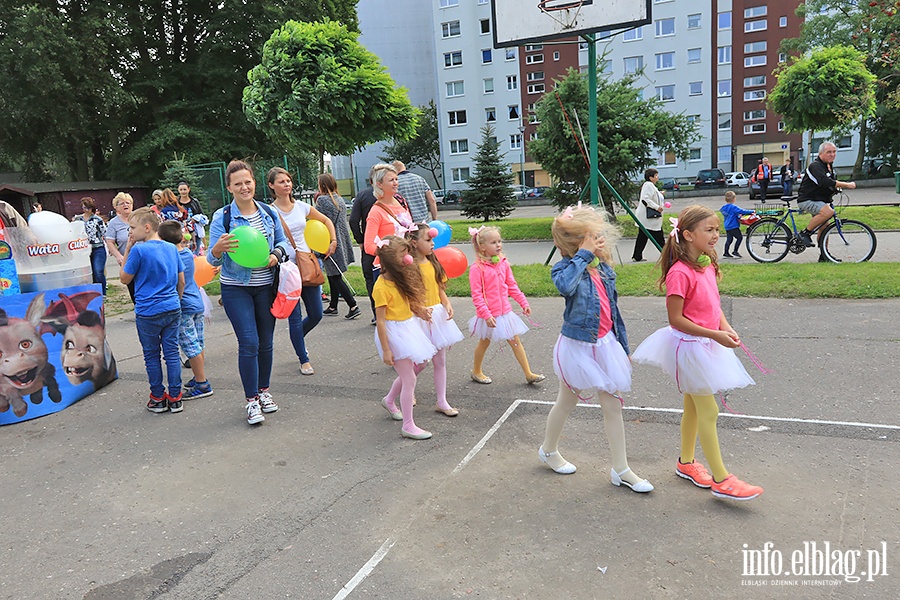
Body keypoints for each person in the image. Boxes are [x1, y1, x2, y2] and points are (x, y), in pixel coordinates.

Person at [632, 205, 762, 501]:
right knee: (709, 410)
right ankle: (721, 479)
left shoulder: (707, 265)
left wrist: (725, 327)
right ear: (688, 235)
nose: (717, 235)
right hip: (689, 347)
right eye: (710, 230)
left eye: (717, 229)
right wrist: (714, 334)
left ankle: (686, 462)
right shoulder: (680, 273)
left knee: (692, 406)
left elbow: (713, 307)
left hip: (707, 343)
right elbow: (676, 319)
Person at [538, 204, 652, 493]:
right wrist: (584, 254)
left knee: (612, 404)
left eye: (599, 237)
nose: (600, 241)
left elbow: (613, 311)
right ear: (577, 242)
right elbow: (565, 286)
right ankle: (548, 450)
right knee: (566, 401)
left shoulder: (604, 270)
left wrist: (622, 345)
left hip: (605, 345)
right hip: (577, 346)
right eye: (593, 237)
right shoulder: (565, 268)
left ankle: (621, 469)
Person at [208, 160, 290, 425]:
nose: (244, 187)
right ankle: (251, 401)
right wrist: (218, 249)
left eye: (248, 182)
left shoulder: (268, 212)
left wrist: (276, 254)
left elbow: (283, 242)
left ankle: (264, 391)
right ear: (230, 187)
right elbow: (212, 260)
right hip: (236, 288)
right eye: (238, 184)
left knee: (266, 342)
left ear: (254, 182)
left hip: (266, 286)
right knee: (249, 342)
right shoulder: (223, 217)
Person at [381, 224, 463, 420]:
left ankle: (441, 401)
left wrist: (446, 303)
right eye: (428, 240)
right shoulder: (408, 267)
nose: (433, 244)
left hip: (437, 315)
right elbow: (407, 297)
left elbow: (439, 287)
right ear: (414, 243)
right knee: (419, 364)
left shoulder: (433, 262)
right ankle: (392, 396)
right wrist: (419, 310)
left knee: (440, 361)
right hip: (417, 319)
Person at [269, 167, 335, 376]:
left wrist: (332, 241)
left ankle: (297, 338)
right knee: (294, 317)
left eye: (288, 180)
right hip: (286, 269)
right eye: (281, 181)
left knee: (316, 314)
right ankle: (303, 358)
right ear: (271, 186)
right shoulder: (269, 211)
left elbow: (326, 220)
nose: (286, 184)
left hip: (307, 264)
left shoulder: (301, 207)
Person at [119, 207, 185, 414]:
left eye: (132, 228)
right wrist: (176, 300)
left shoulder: (139, 250)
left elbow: (124, 278)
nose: (129, 232)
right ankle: (175, 397)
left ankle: (157, 397)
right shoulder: (172, 248)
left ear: (147, 228)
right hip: (172, 307)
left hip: (148, 310)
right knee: (172, 353)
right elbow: (181, 280)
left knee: (152, 355)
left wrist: (128, 249)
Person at [373, 235, 437, 440]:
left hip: (408, 326)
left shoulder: (399, 279)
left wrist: (420, 311)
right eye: (404, 254)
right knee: (409, 379)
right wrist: (386, 349)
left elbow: (407, 304)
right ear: (391, 259)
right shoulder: (381, 287)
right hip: (393, 334)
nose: (408, 257)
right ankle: (409, 426)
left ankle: (390, 399)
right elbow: (381, 321)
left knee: (421, 364)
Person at [468, 225, 544, 385]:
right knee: (484, 342)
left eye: (499, 241)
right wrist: (486, 314)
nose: (498, 245)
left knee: (515, 341)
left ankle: (528, 373)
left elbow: (512, 286)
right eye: (493, 242)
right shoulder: (477, 269)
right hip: (489, 315)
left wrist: (523, 302)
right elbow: (477, 295)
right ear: (482, 247)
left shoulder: (503, 263)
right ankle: (476, 371)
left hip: (505, 313)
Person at [158, 221, 213, 400]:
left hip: (184, 306)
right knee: (198, 342)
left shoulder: (172, 258)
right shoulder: (188, 253)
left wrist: (176, 300)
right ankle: (199, 378)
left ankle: (203, 383)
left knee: (190, 346)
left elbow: (178, 282)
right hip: (197, 302)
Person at [314, 173, 360, 319]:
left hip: (329, 242)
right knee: (334, 274)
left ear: (321, 185)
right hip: (341, 241)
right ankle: (333, 305)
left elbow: (318, 222)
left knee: (335, 276)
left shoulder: (322, 201)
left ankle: (353, 305)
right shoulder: (339, 199)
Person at [796, 142, 857, 248]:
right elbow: (825, 181)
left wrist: (835, 189)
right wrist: (847, 185)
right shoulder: (815, 166)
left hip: (819, 200)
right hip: (807, 200)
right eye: (829, 152)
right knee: (828, 212)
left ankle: (824, 255)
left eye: (834, 152)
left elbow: (828, 184)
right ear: (820, 153)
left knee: (825, 226)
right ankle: (804, 234)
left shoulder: (828, 166)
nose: (832, 154)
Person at [349, 166, 379, 323]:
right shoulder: (395, 197)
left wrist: (360, 240)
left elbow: (353, 220)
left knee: (371, 278)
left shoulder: (362, 195)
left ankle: (377, 313)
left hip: (370, 243)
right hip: (392, 244)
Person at [72, 197, 108, 295]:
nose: (86, 209)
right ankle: (91, 291)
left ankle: (102, 293)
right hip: (83, 248)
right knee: (87, 273)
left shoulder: (97, 219)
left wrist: (110, 246)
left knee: (98, 270)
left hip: (97, 247)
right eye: (84, 207)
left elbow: (105, 233)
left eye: (88, 207)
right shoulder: (77, 219)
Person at [105, 192, 136, 301]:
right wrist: (118, 256)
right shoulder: (114, 223)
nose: (125, 205)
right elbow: (109, 242)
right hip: (127, 259)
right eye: (121, 203)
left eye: (128, 202)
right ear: (116, 207)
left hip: (144, 257)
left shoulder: (138, 218)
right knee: (132, 286)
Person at [632, 168, 665, 262]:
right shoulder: (648, 185)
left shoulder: (651, 186)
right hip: (649, 218)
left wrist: (659, 193)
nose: (658, 177)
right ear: (651, 177)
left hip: (647, 218)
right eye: (656, 175)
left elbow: (652, 196)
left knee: (642, 237)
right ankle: (668, 255)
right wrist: (657, 207)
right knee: (659, 236)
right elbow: (645, 199)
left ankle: (637, 256)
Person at [719, 190, 754, 259]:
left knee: (729, 239)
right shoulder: (733, 207)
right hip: (733, 226)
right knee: (739, 238)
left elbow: (731, 215)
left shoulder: (724, 208)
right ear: (733, 199)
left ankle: (726, 252)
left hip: (727, 226)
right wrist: (752, 211)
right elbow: (742, 211)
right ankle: (735, 251)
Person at [177, 182, 207, 256]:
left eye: (185, 189)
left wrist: (196, 219)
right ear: (178, 190)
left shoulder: (194, 202)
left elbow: (202, 216)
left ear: (188, 189)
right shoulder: (176, 203)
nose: (183, 191)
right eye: (181, 189)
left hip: (195, 232)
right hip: (181, 232)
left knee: (194, 253)